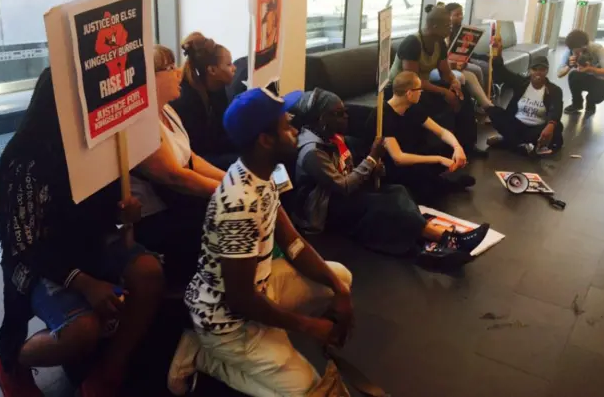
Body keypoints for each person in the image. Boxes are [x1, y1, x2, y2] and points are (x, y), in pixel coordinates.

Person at [168, 88, 354, 397]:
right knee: (307, 390)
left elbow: (293, 243)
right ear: (264, 140)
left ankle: (268, 334)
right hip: (228, 322)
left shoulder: (262, 176)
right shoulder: (239, 203)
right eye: (286, 126)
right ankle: (203, 354)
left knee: (342, 277)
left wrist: (338, 289)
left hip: (259, 290)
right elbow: (240, 300)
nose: (294, 131)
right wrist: (308, 325)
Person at [0, 68, 164, 397]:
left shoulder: (97, 146)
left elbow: (101, 211)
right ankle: (12, 361)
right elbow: (25, 245)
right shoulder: (24, 160)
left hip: (89, 244)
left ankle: (110, 368)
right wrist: (83, 282)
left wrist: (124, 212)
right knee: (82, 329)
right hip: (39, 262)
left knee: (148, 274)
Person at [293, 88, 489, 268]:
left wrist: (373, 168)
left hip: (343, 194)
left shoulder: (332, 136)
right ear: (322, 118)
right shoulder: (313, 151)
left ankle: (433, 238)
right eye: (339, 114)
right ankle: (445, 238)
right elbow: (342, 186)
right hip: (326, 208)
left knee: (398, 191)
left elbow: (349, 169)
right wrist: (371, 159)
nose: (346, 117)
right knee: (384, 206)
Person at [131, 46, 225, 286]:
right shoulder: (138, 123)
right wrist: (229, 191)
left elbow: (190, 158)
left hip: (180, 203)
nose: (180, 73)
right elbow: (174, 176)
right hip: (155, 217)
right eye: (170, 68)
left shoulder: (167, 111)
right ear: (149, 78)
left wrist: (230, 178)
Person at [389, 4, 482, 156]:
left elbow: (445, 72)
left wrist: (453, 82)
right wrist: (444, 92)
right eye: (447, 25)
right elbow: (412, 79)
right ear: (434, 25)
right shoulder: (412, 43)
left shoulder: (439, 43)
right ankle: (439, 149)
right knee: (437, 102)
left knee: (463, 95)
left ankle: (467, 145)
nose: (450, 29)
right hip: (402, 90)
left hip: (421, 87)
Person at [380, 72, 476, 201]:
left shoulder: (412, 108)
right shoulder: (384, 115)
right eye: (419, 89)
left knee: (443, 150)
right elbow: (398, 158)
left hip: (411, 151)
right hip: (391, 166)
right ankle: (444, 184)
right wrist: (438, 159)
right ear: (409, 93)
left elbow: (441, 132)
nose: (421, 92)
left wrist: (457, 147)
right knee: (423, 178)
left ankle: (440, 180)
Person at [171, 32, 238, 170]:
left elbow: (221, 132)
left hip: (211, 150)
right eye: (229, 64)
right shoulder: (187, 100)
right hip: (195, 160)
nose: (234, 68)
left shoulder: (218, 88)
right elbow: (197, 152)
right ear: (212, 70)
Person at [486, 37, 564, 154]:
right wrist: (498, 53)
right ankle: (520, 143)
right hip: (517, 124)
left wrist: (551, 125)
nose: (538, 72)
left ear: (547, 71)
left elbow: (556, 110)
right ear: (529, 70)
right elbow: (502, 73)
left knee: (557, 126)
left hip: (536, 128)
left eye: (542, 69)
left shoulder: (554, 90)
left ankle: (512, 142)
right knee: (493, 111)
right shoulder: (521, 83)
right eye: (534, 69)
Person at [559, 29, 604, 115]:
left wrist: (590, 69)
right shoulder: (570, 51)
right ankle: (577, 104)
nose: (578, 54)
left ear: (585, 46)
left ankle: (591, 102)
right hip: (586, 77)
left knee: (596, 97)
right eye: (575, 51)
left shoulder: (598, 49)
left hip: (601, 79)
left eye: (579, 51)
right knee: (573, 75)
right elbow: (559, 74)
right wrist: (569, 66)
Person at [445, 2, 490, 93]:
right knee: (479, 68)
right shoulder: (446, 32)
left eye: (461, 14)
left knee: (487, 62)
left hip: (464, 58)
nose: (460, 17)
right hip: (454, 61)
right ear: (448, 16)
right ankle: (482, 95)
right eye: (456, 15)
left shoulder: (461, 28)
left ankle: (488, 92)